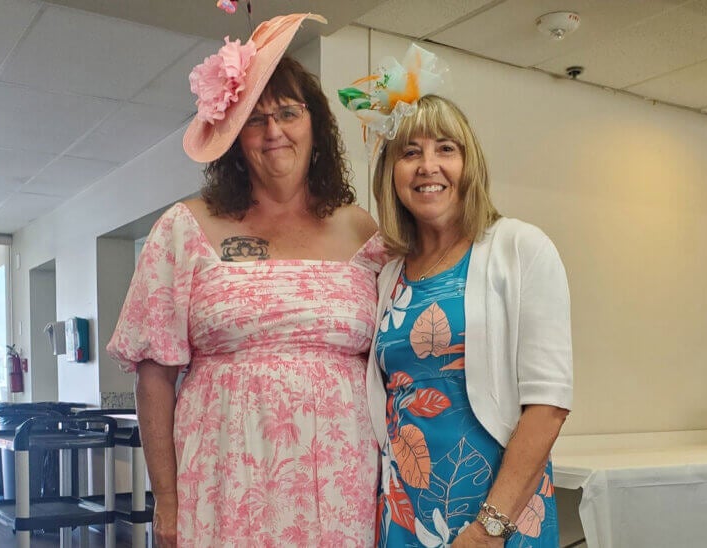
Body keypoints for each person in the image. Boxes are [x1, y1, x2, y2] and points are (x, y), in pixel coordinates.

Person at [107, 13, 384, 547]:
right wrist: (166, 500)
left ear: (315, 125)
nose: (274, 130)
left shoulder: (360, 227)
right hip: (223, 482)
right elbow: (153, 379)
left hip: (341, 486)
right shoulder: (185, 227)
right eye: (255, 119)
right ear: (234, 137)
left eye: (287, 113)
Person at [364, 92, 573, 547]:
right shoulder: (388, 275)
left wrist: (488, 530)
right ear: (391, 173)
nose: (427, 165)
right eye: (409, 152)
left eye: (445, 148)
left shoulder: (519, 248)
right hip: (405, 513)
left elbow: (548, 405)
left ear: (468, 163)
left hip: (496, 516)